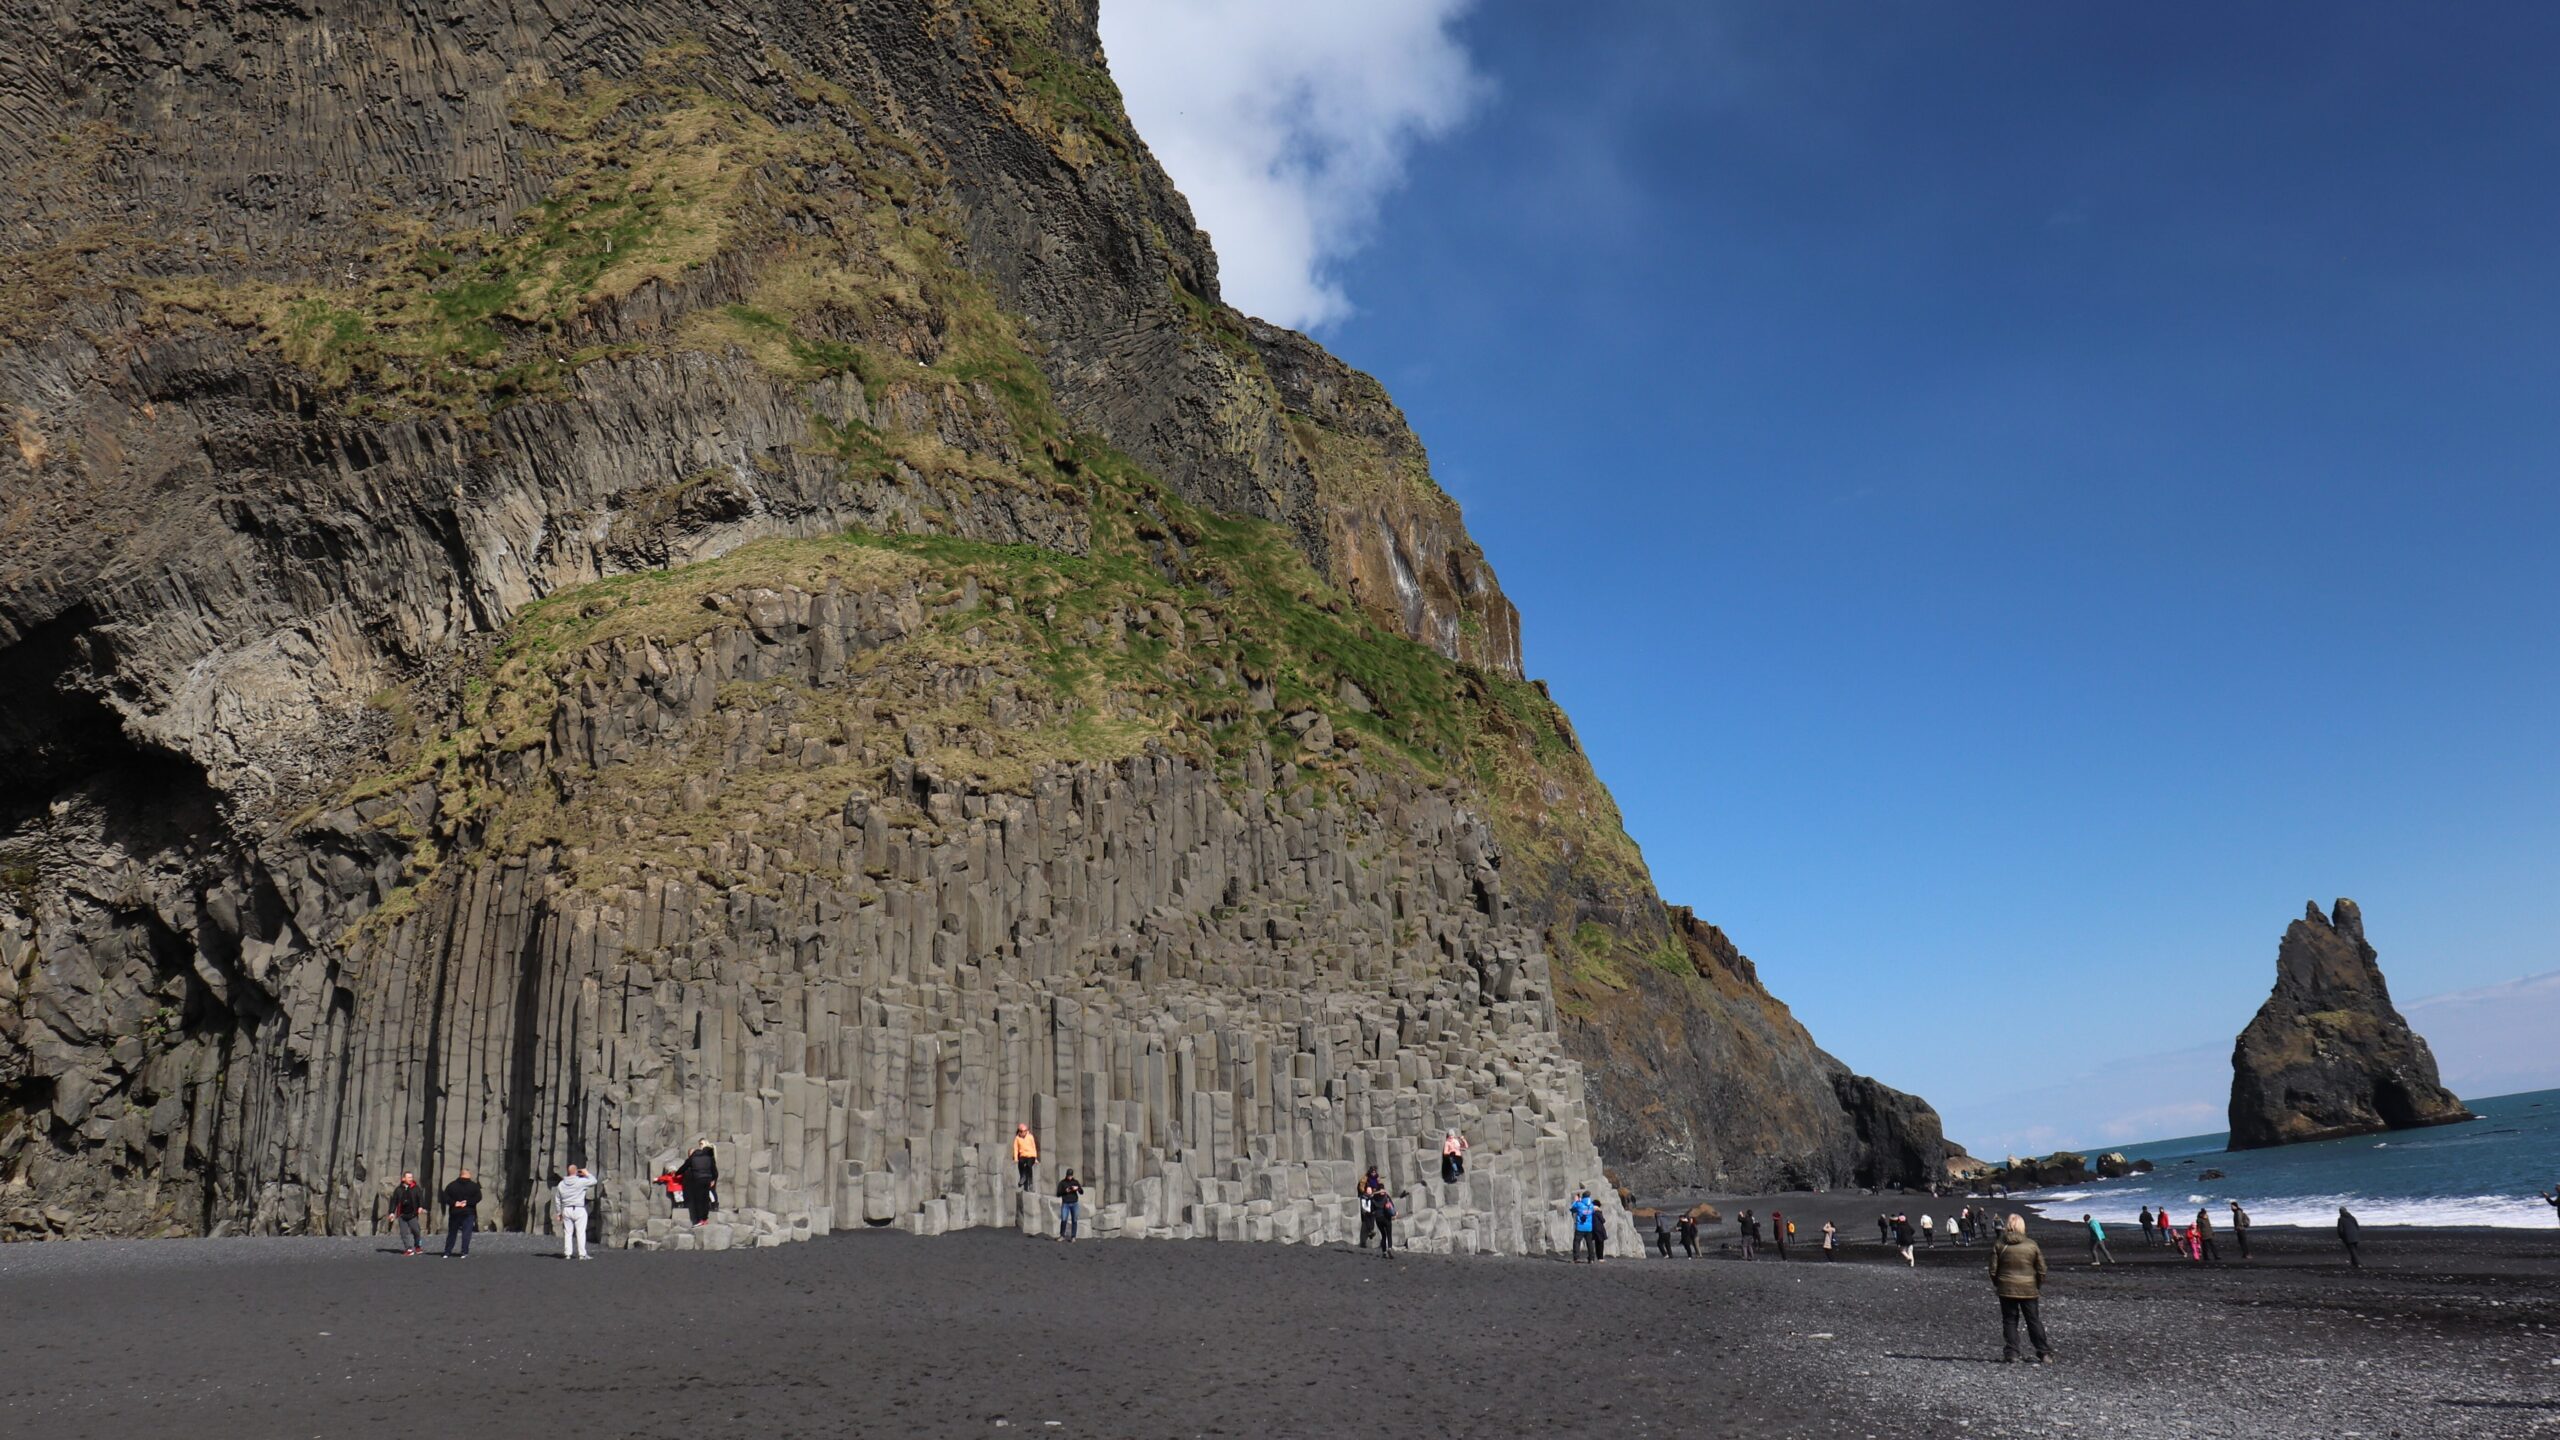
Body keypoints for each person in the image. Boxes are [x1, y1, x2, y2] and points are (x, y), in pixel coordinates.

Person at [1989, 1214, 2054, 1363]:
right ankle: (2044, 1352)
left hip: (2006, 1288)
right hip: (2029, 1288)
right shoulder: (2031, 1244)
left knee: (2010, 1320)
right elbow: (2042, 1268)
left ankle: (2012, 1353)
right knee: (2033, 1320)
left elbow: (1993, 1269)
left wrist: (1998, 1284)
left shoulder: (1999, 1244)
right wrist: (2037, 1284)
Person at [555, 1164, 596, 1259]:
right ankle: (582, 1254)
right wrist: (587, 1173)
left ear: (568, 1172)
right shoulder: (580, 1182)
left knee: (568, 1233)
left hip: (566, 1209)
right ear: (576, 1171)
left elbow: (557, 1199)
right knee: (580, 1232)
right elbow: (594, 1181)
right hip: (579, 1209)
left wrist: (558, 1212)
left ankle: (568, 1253)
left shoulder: (561, 1184)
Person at [440, 1168, 482, 1258]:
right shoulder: (474, 1186)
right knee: (466, 1233)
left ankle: (447, 1252)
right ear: (468, 1175)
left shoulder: (451, 1185)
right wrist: (467, 1202)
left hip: (455, 1212)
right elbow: (478, 1197)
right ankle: (464, 1252)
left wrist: (454, 1203)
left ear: (460, 1174)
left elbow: (445, 1197)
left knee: (452, 1233)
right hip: (468, 1212)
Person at [677, 1141, 718, 1226]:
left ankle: (700, 1219)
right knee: (705, 1199)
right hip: (707, 1180)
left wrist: (677, 1173)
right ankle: (705, 1219)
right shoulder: (708, 1157)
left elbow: (684, 1167)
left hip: (698, 1180)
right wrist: (713, 1179)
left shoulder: (693, 1158)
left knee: (698, 1200)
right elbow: (715, 1171)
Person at [388, 1172, 426, 1256]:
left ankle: (418, 1246)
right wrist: (391, 1212)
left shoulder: (416, 1188)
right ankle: (408, 1249)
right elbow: (394, 1202)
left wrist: (421, 1207)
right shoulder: (398, 1190)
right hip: (402, 1215)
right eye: (408, 1177)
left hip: (412, 1214)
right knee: (403, 1233)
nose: (411, 1179)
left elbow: (420, 1198)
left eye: (411, 1177)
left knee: (416, 1231)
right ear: (403, 1179)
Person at [1358, 1169, 1384, 1250]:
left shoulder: (1377, 1179)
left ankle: (1371, 1231)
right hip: (1366, 1205)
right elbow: (1362, 1186)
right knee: (1367, 1218)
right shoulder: (1366, 1179)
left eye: (1374, 1172)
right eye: (1372, 1172)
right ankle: (1369, 1232)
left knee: (1372, 1216)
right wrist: (1365, 1191)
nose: (1373, 1173)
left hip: (1373, 1197)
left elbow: (1380, 1186)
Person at [1570, 1188, 1597, 1263]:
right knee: (1589, 1243)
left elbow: (1572, 1208)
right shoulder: (1591, 1205)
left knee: (1577, 1242)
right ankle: (1591, 1259)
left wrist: (1576, 1200)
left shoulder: (1579, 1204)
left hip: (1580, 1227)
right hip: (1589, 1228)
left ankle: (1576, 1258)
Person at [1056, 1169, 1083, 1242]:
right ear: (1066, 1175)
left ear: (1072, 1175)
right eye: (1068, 1175)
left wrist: (1077, 1189)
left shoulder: (1075, 1182)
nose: (1069, 1177)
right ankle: (1062, 1235)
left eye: (1070, 1176)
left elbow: (1081, 1192)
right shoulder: (1062, 1183)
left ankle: (1073, 1236)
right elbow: (1058, 1194)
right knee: (1064, 1219)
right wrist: (1065, 1191)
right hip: (1065, 1203)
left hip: (1074, 1203)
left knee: (1074, 1220)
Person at [1011, 1123, 1039, 1191]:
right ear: (1019, 1131)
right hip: (1023, 1155)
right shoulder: (1017, 1138)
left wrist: (1035, 1158)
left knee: (1029, 1166)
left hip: (1031, 1155)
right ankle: (1023, 1176)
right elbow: (1015, 1148)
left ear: (1026, 1131)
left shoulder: (1030, 1137)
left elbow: (1033, 1147)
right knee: (1020, 1162)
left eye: (1024, 1131)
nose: (1023, 1133)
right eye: (1021, 1131)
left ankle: (1029, 1182)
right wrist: (1015, 1158)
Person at [1374, 1188, 1397, 1256]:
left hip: (1378, 1219)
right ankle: (1389, 1248)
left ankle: (1384, 1252)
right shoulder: (1386, 1197)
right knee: (1389, 1234)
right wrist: (1394, 1214)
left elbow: (1372, 1209)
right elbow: (1392, 1206)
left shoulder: (1374, 1198)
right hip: (1386, 1218)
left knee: (1383, 1235)